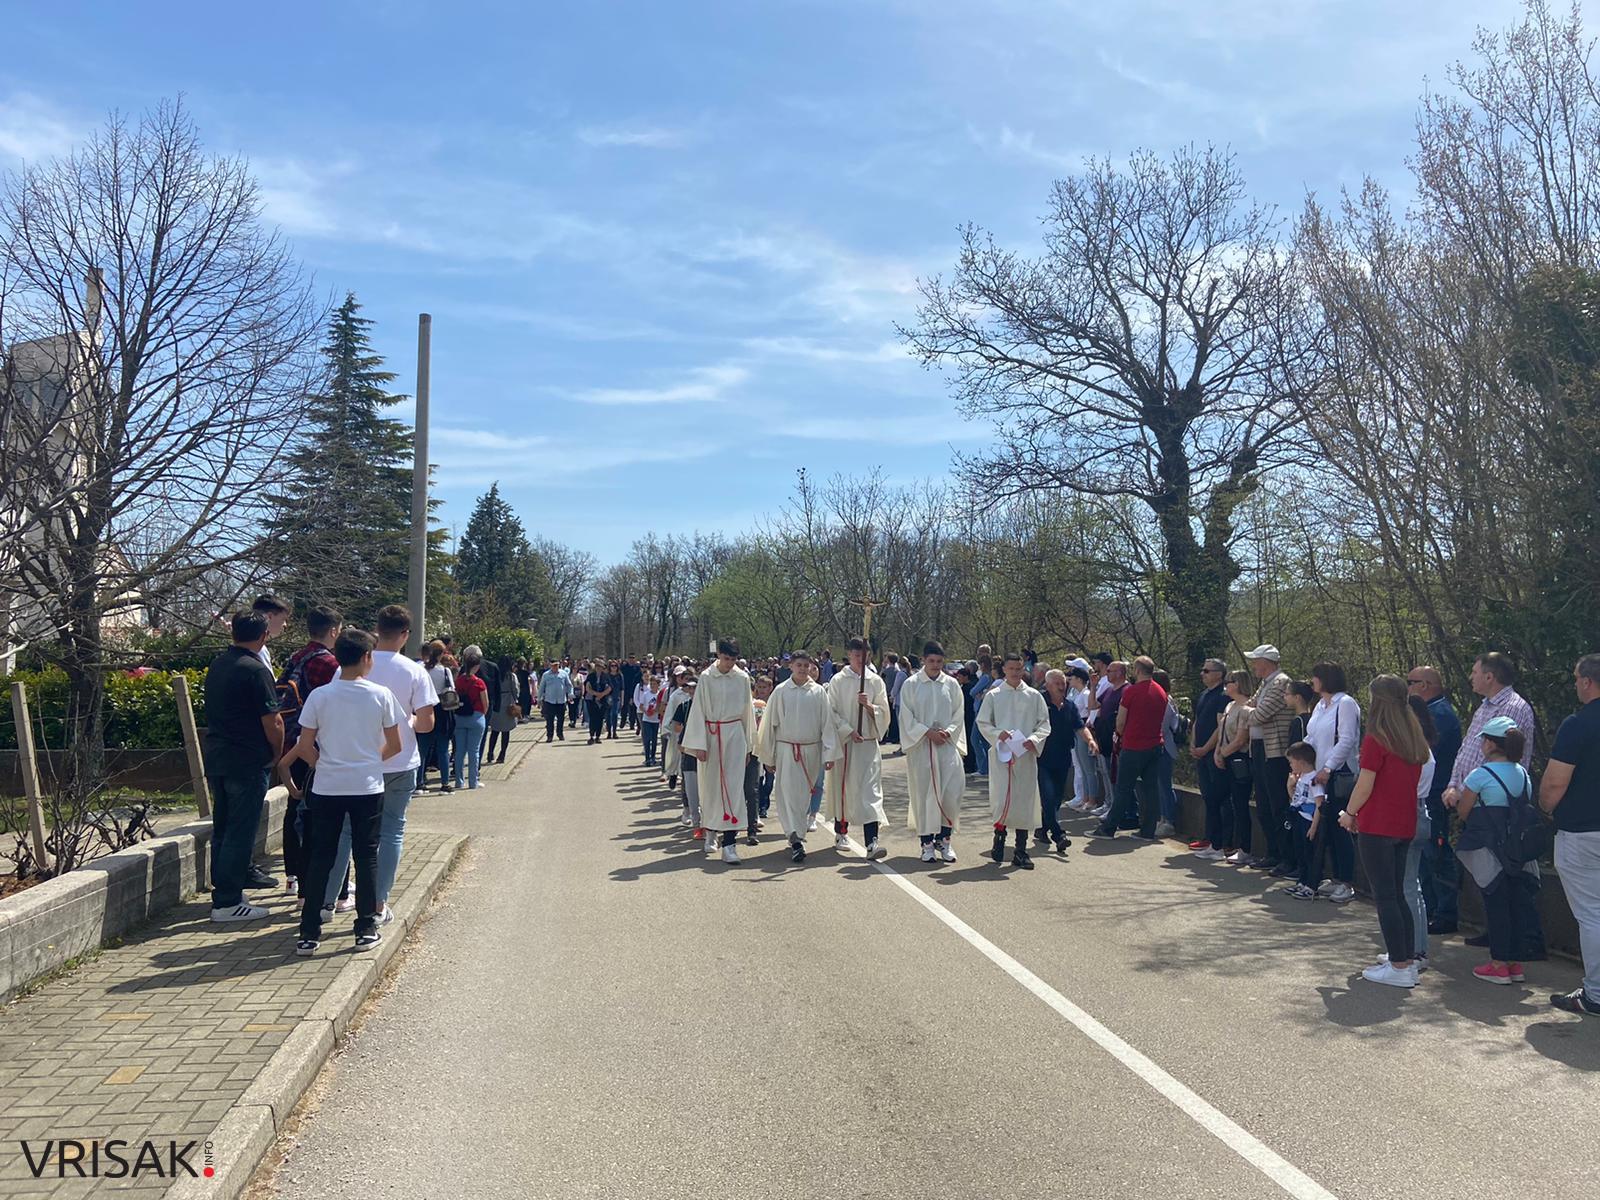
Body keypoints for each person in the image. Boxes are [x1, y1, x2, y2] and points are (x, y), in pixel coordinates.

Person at [309, 606, 436, 928]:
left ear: (377, 630)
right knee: (392, 830)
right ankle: (379, 903)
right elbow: (426, 725)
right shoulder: (414, 671)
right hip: (399, 761)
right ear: (405, 634)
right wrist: (406, 720)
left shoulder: (348, 667)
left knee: (345, 834)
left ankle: (327, 900)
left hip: (353, 762)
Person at [288, 628, 403, 957]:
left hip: (327, 786)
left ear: (338, 657)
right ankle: (365, 927)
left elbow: (305, 744)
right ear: (368, 658)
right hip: (367, 786)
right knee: (366, 856)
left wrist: (324, 764)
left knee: (321, 856)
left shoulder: (320, 696)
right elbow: (395, 745)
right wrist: (366, 762)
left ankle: (309, 933)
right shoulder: (381, 695)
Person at [1336, 675, 1429, 988]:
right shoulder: (1414, 738)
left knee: (1385, 896)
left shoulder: (1377, 738)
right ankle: (1404, 957)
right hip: (1405, 823)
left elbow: (1365, 784)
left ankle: (1400, 966)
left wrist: (1349, 813)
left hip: (1378, 823)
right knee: (1398, 893)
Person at [203, 611, 284, 922]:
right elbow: (272, 720)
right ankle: (228, 901)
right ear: (263, 636)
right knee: (241, 829)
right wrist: (276, 752)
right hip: (248, 758)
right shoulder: (256, 670)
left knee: (223, 827)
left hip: (219, 755)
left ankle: (224, 889)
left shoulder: (218, 664)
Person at [1452, 716, 1541, 986]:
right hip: (1518, 851)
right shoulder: (1523, 774)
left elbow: (1464, 812)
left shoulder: (1481, 775)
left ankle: (1498, 964)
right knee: (1517, 904)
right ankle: (1515, 964)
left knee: (1496, 903)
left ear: (1490, 743)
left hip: (1490, 850)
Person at [1541, 653, 1600, 1015]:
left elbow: (1554, 782)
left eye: (1576, 678)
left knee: (1592, 914)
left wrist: (1547, 808)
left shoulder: (1579, 724)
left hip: (1582, 831)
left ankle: (1595, 993)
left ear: (1587, 682)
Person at [274, 605, 342, 898]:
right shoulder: (329, 664)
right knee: (316, 814)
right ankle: (315, 880)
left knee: (293, 809)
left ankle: (292, 877)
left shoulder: (295, 658)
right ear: (333, 631)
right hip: (315, 745)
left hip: (291, 742)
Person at [681, 638, 758, 866]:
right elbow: (698, 711)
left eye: (733, 660)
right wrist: (698, 745)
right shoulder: (706, 677)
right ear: (718, 656)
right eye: (726, 659)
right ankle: (711, 830)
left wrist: (748, 745)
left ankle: (730, 845)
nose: (729, 664)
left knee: (733, 790)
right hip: (712, 735)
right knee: (712, 787)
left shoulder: (742, 678)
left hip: (734, 735)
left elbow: (747, 712)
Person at [756, 651, 836, 862]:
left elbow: (827, 724)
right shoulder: (781, 691)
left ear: (810, 667)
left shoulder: (818, 692)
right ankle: (794, 837)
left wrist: (829, 753)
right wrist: (768, 757)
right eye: (798, 665)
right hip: (786, 749)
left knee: (803, 796)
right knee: (787, 793)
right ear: (790, 666)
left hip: (811, 749)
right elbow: (769, 726)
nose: (802, 669)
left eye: (805, 665)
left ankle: (797, 833)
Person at [976, 652, 1052, 868]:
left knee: (1024, 800)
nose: (1016, 673)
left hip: (1025, 754)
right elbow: (983, 722)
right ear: (1005, 670)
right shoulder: (994, 695)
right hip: (1002, 754)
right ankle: (999, 839)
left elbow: (1044, 723)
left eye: (1019, 669)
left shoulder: (1033, 696)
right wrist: (997, 734)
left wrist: (1034, 739)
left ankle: (1021, 849)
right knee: (1002, 798)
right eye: (1011, 669)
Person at [898, 642, 968, 864]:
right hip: (922, 747)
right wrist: (926, 732)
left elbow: (959, 713)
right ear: (924, 660)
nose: (936, 666)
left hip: (946, 746)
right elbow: (906, 716)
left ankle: (945, 841)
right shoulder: (911, 684)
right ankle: (926, 843)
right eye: (931, 661)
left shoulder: (952, 684)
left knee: (951, 792)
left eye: (939, 662)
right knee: (925, 795)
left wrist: (948, 732)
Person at [823, 637, 891, 859]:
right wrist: (848, 730)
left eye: (865, 655)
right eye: (857, 655)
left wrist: (869, 707)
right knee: (844, 789)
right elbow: (831, 711)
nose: (861, 659)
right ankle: (841, 831)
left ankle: (871, 841)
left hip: (868, 745)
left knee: (870, 792)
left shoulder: (874, 681)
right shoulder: (838, 681)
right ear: (849, 655)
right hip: (847, 743)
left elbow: (885, 712)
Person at [1408, 666, 1462, 934]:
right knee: (1425, 857)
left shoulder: (1439, 714)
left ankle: (1445, 913)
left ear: (1425, 685)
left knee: (1437, 855)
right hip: (1427, 793)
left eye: (1410, 682)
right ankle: (1429, 908)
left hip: (1435, 794)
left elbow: (1423, 750)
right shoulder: (1434, 712)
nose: (1407, 687)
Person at [1094, 657, 1167, 842]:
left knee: (1123, 788)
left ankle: (1109, 828)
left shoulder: (1132, 692)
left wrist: (1119, 733)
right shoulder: (1160, 691)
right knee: (1151, 789)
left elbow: (1120, 721)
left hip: (1133, 745)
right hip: (1155, 744)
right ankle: (1148, 830)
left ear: (1138, 670)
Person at [1305, 662, 1362, 901]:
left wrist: (1329, 767)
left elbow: (1347, 739)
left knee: (1341, 829)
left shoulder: (1346, 703)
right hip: (1318, 773)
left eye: (1315, 677)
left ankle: (1347, 881)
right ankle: (1336, 876)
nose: (1312, 681)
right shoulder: (1320, 705)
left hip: (1339, 773)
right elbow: (1312, 736)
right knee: (1327, 827)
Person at [1245, 646, 1296, 873]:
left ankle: (1286, 856)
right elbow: (1250, 708)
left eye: (1256, 661)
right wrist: (1247, 712)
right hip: (1259, 748)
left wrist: (1244, 713)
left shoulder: (1280, 683)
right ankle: (1272, 852)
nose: (1253, 665)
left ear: (1266, 662)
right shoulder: (1265, 683)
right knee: (1264, 805)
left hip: (1274, 752)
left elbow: (1258, 714)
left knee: (1277, 804)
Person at [1036, 668, 1095, 855]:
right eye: (1057, 683)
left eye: (1063, 683)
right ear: (1048, 685)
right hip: (1042, 758)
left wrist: (1091, 740)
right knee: (1047, 796)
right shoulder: (1039, 703)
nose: (1062, 687)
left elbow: (1080, 727)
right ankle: (1059, 835)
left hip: (1062, 758)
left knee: (1055, 800)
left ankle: (1042, 828)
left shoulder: (1070, 706)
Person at [1213, 670, 1257, 863]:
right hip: (1224, 756)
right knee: (1220, 799)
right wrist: (1217, 752)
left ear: (1237, 684)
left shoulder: (1246, 710)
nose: (1226, 685)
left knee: (1240, 804)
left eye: (1229, 681)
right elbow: (1221, 731)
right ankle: (1221, 842)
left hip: (1239, 759)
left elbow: (1241, 739)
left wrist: (1224, 752)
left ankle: (1244, 847)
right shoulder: (1230, 706)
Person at [1189, 659, 1230, 854]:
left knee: (1218, 798)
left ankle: (1220, 842)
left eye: (1207, 670)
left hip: (1214, 754)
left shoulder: (1223, 696)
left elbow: (1219, 726)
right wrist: (1193, 743)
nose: (1202, 674)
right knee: (1208, 797)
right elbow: (1198, 721)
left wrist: (1206, 748)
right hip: (1201, 754)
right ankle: (1209, 838)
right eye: (1202, 670)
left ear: (1219, 674)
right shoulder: (1204, 694)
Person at [1280, 741, 1325, 900]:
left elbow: (1319, 805)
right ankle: (1302, 880)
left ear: (1300, 761)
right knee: (1300, 851)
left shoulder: (1314, 779)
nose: (1291, 766)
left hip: (1309, 820)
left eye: (1291, 762)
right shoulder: (1301, 778)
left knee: (1309, 854)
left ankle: (1312, 886)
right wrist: (1289, 787)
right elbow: (1297, 800)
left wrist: (1314, 827)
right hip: (1298, 817)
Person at [418, 641, 456, 792]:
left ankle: (419, 782)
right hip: (442, 710)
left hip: (424, 708)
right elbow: (451, 690)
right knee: (443, 749)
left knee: (422, 749)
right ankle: (445, 784)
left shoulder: (420, 669)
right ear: (441, 654)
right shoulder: (445, 671)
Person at [453, 648, 489, 789]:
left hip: (460, 717)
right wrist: (482, 715)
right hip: (476, 717)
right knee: (474, 751)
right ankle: (473, 782)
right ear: (477, 667)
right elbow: (485, 702)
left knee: (459, 751)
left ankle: (458, 781)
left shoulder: (458, 681)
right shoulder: (479, 683)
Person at [487, 654, 518, 764]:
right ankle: (502, 754)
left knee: (495, 730)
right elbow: (515, 690)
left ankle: (490, 753)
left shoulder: (495, 674)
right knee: (506, 731)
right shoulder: (511, 676)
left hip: (497, 704)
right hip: (508, 703)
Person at [251, 594, 292, 672]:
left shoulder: (247, 643)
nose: (285, 625)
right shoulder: (257, 649)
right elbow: (267, 683)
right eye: (283, 619)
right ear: (269, 616)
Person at [539, 661, 572, 742]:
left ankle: (560, 734)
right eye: (553, 665)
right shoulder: (546, 675)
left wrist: (570, 694)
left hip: (561, 700)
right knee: (549, 720)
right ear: (551, 666)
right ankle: (549, 736)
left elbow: (569, 685)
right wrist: (539, 698)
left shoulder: (563, 674)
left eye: (557, 665)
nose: (555, 667)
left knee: (561, 719)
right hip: (549, 701)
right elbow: (542, 687)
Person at [638, 673, 663, 767]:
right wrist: (646, 711)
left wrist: (655, 711)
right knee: (647, 739)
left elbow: (661, 706)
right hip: (646, 719)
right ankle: (647, 758)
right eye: (651, 684)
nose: (653, 686)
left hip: (656, 720)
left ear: (658, 685)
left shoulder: (659, 694)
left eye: (655, 684)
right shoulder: (645, 694)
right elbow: (640, 706)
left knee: (654, 739)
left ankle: (653, 757)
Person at [585, 667, 612, 745]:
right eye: (598, 666)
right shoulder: (591, 676)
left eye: (601, 666)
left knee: (600, 719)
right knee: (593, 718)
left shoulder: (606, 676)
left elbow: (610, 688)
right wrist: (595, 694)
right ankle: (591, 736)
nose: (599, 668)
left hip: (603, 700)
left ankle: (598, 736)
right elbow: (587, 687)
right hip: (592, 700)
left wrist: (602, 695)